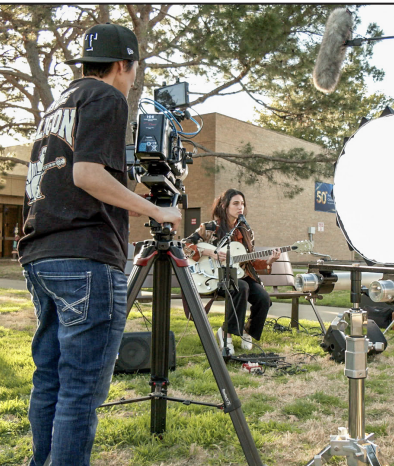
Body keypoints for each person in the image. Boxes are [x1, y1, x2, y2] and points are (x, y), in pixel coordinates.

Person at [18, 23, 182, 466]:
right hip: (86, 261)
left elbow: (76, 182)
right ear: (123, 66)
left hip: (42, 255)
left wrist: (136, 198)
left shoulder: (59, 104)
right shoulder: (107, 97)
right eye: (131, 71)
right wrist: (159, 212)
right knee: (80, 389)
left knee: (49, 380)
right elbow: (87, 175)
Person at [186, 189, 280, 355]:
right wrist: (210, 252)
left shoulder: (246, 232)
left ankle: (247, 332)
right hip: (216, 278)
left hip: (240, 274)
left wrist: (269, 262)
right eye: (236, 203)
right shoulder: (209, 228)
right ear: (224, 205)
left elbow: (248, 261)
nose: (240, 207)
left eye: (242, 204)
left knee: (263, 298)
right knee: (241, 286)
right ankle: (225, 333)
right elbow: (184, 246)